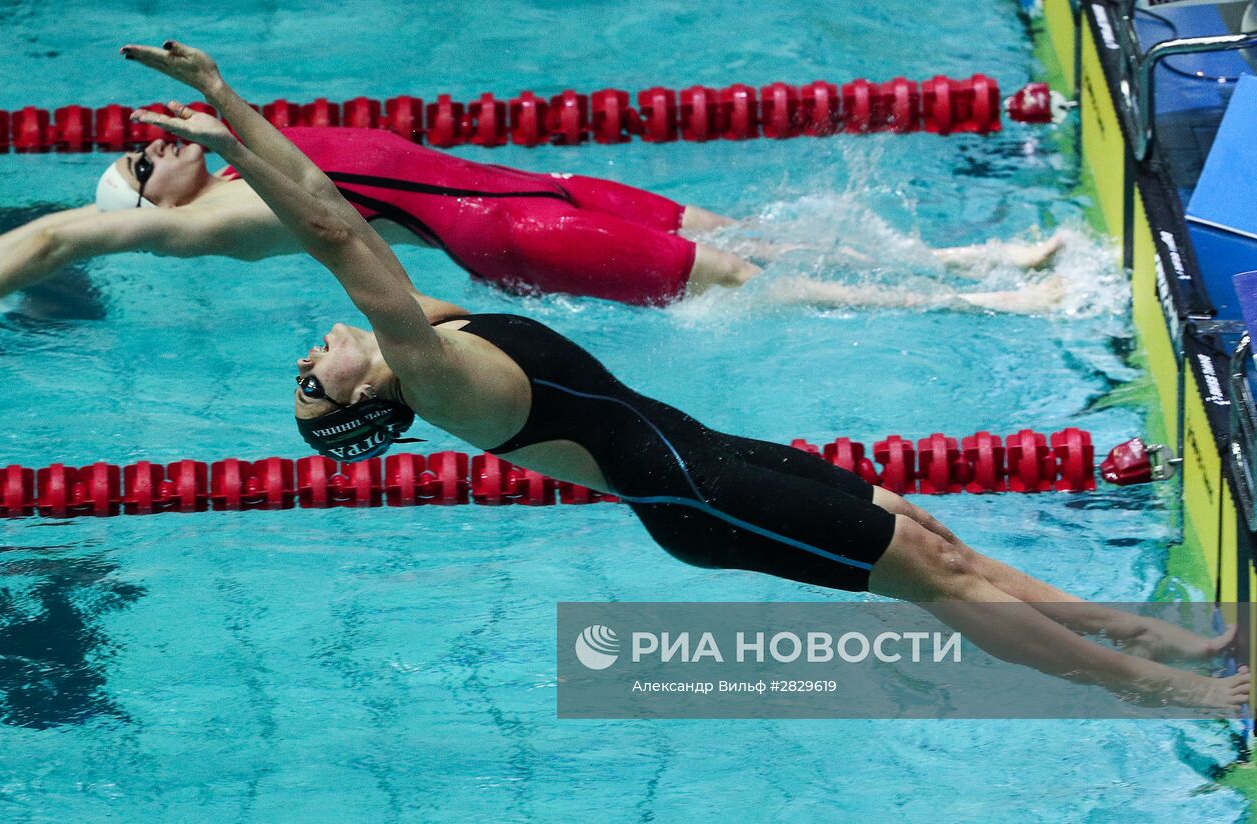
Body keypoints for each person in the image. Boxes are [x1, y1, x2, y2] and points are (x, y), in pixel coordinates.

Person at [119, 41, 1248, 711]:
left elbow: (328, 195)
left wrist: (228, 112)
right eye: (312, 380)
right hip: (705, 499)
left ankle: (1136, 630)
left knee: (931, 533)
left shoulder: (431, 326)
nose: (309, 354)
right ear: (369, 399)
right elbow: (329, 224)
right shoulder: (431, 369)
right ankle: (1152, 687)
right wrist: (228, 117)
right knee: (932, 582)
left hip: (710, 449)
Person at [0, 70, 1064, 313]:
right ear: (147, 202)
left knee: (763, 235)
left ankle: (963, 262)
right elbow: (69, 236)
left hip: (537, 181)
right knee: (748, 280)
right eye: (141, 163)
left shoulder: (248, 155)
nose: (159, 152)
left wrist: (218, 113)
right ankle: (986, 304)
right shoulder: (225, 215)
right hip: (508, 230)